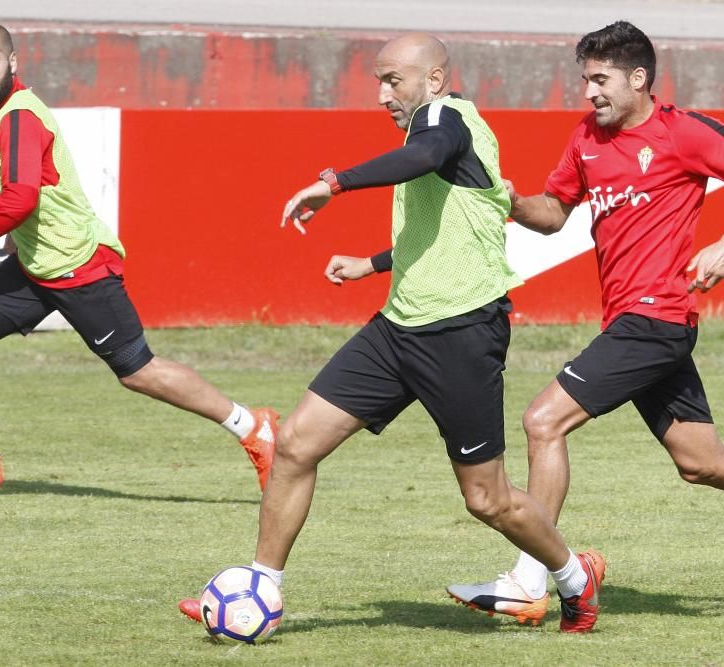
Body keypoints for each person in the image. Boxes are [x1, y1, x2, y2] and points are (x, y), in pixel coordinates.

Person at [440, 21, 724, 623]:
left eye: (600, 79)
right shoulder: (586, 137)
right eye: (584, 79)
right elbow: (552, 214)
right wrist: (508, 199)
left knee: (543, 421)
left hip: (657, 319)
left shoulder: (681, 131)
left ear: (638, 78)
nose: (589, 92)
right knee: (702, 461)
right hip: (631, 321)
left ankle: (531, 578)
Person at [180, 33, 605, 634]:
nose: (382, 94)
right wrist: (375, 264)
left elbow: (426, 156)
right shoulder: (432, 127)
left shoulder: (446, 119)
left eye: (392, 80)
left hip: (460, 333)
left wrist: (334, 182)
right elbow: (445, 226)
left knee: (487, 499)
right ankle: (261, 589)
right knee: (297, 443)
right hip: (398, 326)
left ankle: (573, 579)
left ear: (433, 80)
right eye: (378, 81)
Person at [0, 23, 279, 494]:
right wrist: (18, 242)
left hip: (79, 266)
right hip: (38, 264)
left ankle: (252, 426)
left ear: (12, 62)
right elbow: (33, 192)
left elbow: (20, 197)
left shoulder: (19, 117)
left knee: (139, 371)